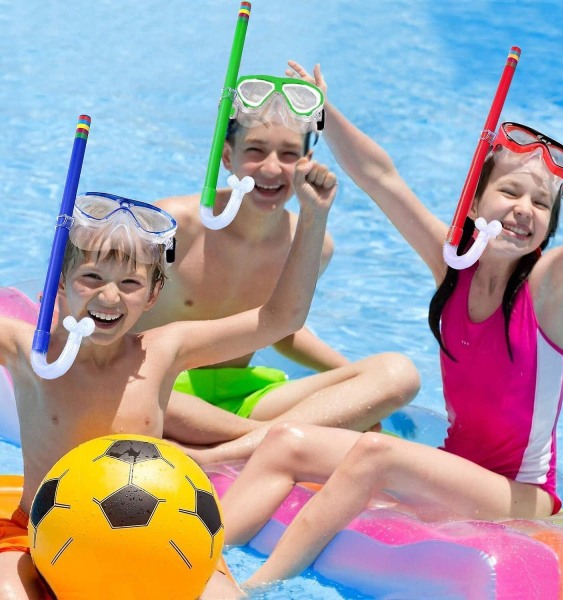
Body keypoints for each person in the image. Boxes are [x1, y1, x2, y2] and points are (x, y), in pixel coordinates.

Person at [217, 61, 563, 589]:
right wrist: (324, 111)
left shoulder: (544, 289)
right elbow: (380, 178)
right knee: (286, 442)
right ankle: (207, 561)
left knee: (376, 452)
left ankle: (256, 587)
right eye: (510, 192)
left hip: (521, 492)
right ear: (474, 199)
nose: (523, 210)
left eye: (541, 204)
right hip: (455, 468)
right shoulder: (452, 267)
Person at [0, 155, 336, 599]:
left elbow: (280, 318)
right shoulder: (26, 350)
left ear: (155, 294)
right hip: (38, 533)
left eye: (130, 284)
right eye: (91, 277)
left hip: (158, 540)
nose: (108, 296)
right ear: (60, 282)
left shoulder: (160, 352)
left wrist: (313, 217)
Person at [137, 75, 420, 465]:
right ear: (227, 156)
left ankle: (233, 448)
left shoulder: (313, 241)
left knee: (397, 373)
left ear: (307, 162)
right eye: (255, 150)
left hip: (244, 398)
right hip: (163, 390)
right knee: (140, 390)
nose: (271, 168)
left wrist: (355, 381)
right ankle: (265, 441)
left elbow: (282, 328)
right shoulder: (171, 224)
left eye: (289, 154)